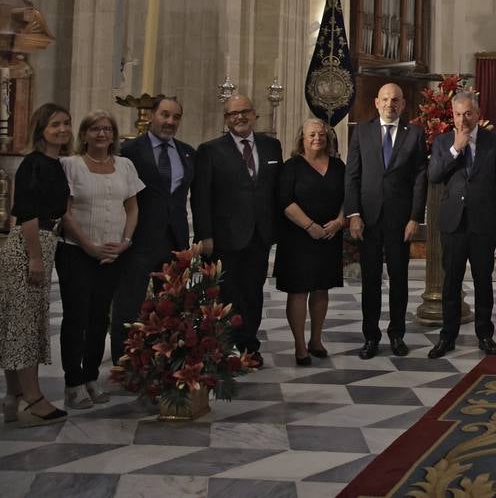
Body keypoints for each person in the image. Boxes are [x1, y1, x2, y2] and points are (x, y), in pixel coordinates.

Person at [56, 111, 141, 409]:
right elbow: (64, 212)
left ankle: (91, 377)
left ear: (114, 135)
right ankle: (73, 382)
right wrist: (89, 246)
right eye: (95, 129)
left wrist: (125, 242)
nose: (102, 134)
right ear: (84, 134)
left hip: (113, 254)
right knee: (76, 317)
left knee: (99, 317)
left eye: (107, 129)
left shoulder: (125, 166)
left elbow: (131, 208)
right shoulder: (71, 165)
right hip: (76, 252)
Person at [192, 95, 281, 360]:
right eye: (233, 114)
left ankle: (249, 347)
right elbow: (201, 196)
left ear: (255, 115)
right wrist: (204, 234)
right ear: (226, 119)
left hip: (260, 234)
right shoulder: (210, 150)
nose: (239, 117)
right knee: (226, 293)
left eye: (244, 112)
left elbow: (277, 190)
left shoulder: (271, 146)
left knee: (253, 292)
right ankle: (224, 348)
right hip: (225, 236)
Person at [0, 104, 73, 426]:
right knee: (25, 327)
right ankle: (34, 398)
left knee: (18, 325)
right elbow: (26, 212)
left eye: (66, 123)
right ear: (41, 128)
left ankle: (13, 395)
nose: (62, 129)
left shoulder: (58, 164)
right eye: (55, 124)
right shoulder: (34, 163)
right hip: (28, 243)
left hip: (45, 240)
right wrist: (34, 257)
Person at [345, 83, 429, 359]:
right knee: (370, 280)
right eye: (385, 99)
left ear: (403, 105)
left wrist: (415, 216)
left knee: (399, 279)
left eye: (396, 100)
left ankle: (397, 335)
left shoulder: (414, 134)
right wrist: (353, 214)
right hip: (367, 219)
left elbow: (420, 178)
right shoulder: (362, 131)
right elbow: (352, 175)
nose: (390, 104)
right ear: (376, 102)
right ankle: (370, 337)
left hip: (399, 220)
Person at [111, 96, 195, 369]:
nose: (170, 121)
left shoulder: (186, 152)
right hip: (139, 237)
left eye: (176, 117)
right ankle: (125, 362)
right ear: (152, 115)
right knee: (129, 301)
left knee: (171, 303)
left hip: (175, 238)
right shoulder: (130, 150)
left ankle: (164, 360)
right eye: (165, 115)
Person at [428, 92, 496, 358]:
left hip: (483, 223)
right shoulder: (442, 142)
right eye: (458, 114)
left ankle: (485, 335)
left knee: (483, 280)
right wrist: (456, 148)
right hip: (453, 222)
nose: (463, 119)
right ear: (452, 115)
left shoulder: (493, 141)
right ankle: (447, 336)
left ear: (477, 113)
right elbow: (435, 175)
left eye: (468, 114)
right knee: (451, 281)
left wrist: (492, 212)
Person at [275, 120, 346, 366]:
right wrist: (309, 226)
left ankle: (316, 340)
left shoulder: (338, 166)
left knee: (321, 288)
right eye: (312, 134)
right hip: (298, 238)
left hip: (329, 236)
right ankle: (300, 346)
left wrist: (339, 221)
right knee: (299, 290)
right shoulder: (291, 166)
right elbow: (285, 201)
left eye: (322, 133)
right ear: (302, 138)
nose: (318, 137)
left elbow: (348, 196)